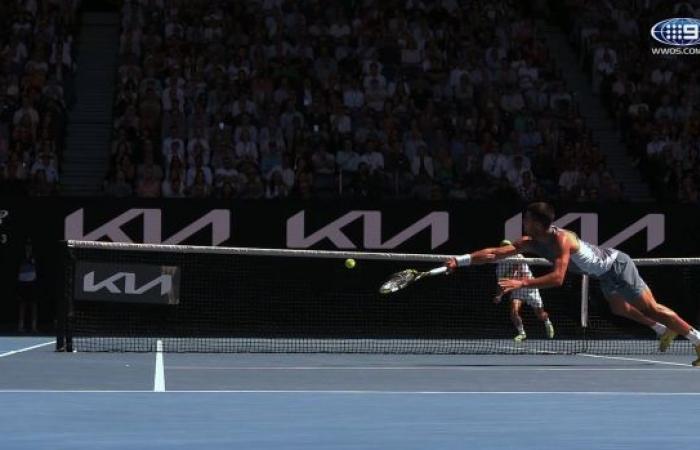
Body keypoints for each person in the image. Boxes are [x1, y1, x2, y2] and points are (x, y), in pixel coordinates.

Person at [446, 202, 700, 366]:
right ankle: (661, 330)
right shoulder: (531, 241)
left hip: (617, 266)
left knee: (651, 307)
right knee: (619, 309)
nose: (523, 223)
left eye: (526, 220)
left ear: (536, 223)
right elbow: (493, 253)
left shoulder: (562, 240)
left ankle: (697, 339)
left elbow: (557, 279)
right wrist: (460, 260)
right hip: (603, 275)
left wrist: (520, 283)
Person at [494, 239, 554, 342]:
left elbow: (519, 274)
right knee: (513, 312)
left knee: (540, 314)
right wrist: (498, 295)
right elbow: (502, 283)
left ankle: (547, 321)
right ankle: (522, 333)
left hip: (530, 286)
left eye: (507, 246)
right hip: (517, 289)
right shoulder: (499, 267)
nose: (506, 249)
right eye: (503, 247)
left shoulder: (519, 257)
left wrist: (505, 288)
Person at [16, 239, 38, 333]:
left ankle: (34, 327)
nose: (28, 247)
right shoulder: (20, 256)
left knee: (33, 305)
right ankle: (20, 326)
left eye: (30, 245)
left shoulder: (35, 256)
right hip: (22, 282)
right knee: (22, 304)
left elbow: (36, 265)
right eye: (27, 245)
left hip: (32, 282)